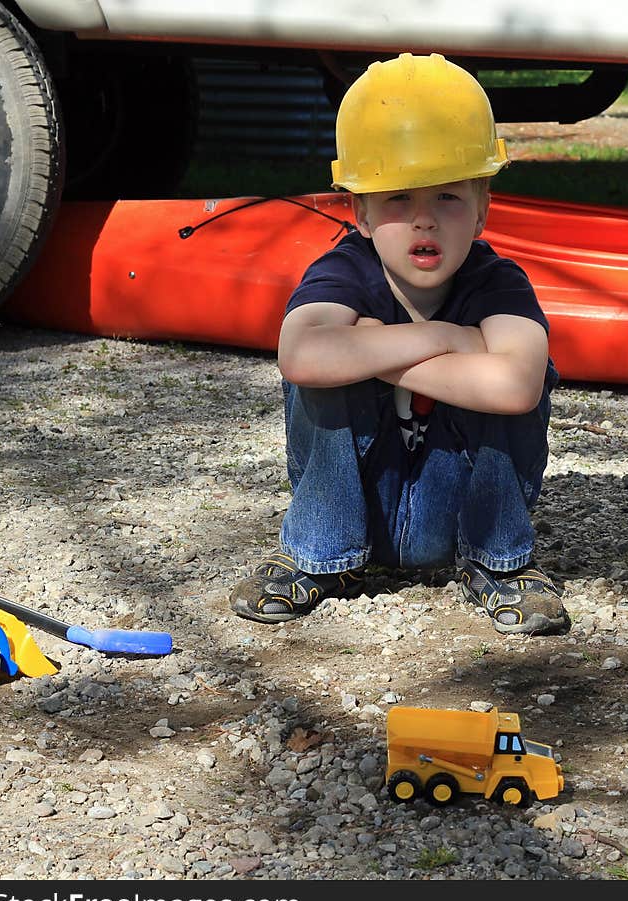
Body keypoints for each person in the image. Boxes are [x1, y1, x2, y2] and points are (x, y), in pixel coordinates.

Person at [230, 52, 569, 635]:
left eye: (447, 198)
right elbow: (300, 354)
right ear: (358, 213)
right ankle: (321, 558)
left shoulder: (497, 283)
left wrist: (374, 348)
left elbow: (516, 385)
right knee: (323, 370)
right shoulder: (345, 271)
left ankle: (499, 565)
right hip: (361, 508)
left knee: (528, 369)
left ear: (483, 208)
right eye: (398, 200)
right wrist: (445, 340)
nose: (424, 221)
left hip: (460, 512)